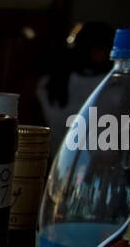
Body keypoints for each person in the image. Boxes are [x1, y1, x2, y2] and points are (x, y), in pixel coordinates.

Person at [36, 21, 114, 154]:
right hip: (63, 157)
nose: (101, 54)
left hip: (64, 158)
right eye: (99, 48)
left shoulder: (49, 83)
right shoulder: (51, 84)